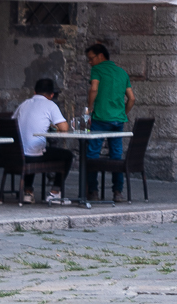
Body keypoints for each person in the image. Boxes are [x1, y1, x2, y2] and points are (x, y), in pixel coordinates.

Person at [85, 43, 136, 201]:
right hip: (117, 121)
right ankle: (117, 192)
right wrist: (122, 113)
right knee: (116, 155)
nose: (90, 62)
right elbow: (132, 99)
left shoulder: (97, 70)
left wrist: (89, 108)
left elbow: (94, 88)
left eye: (91, 58)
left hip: (100, 118)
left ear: (100, 56)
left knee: (92, 154)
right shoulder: (122, 72)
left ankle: (93, 191)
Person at [13, 77, 73, 204]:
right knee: (67, 155)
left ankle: (28, 192)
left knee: (33, 146)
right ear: (51, 95)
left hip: (18, 154)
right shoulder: (50, 105)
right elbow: (64, 128)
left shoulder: (24, 104)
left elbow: (13, 122)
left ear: (34, 92)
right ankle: (54, 193)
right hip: (34, 155)